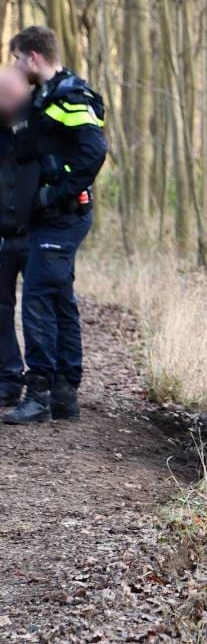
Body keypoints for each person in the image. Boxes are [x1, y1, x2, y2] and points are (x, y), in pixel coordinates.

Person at [4, 26, 106, 424]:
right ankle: (66, 393)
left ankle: (40, 393)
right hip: (49, 220)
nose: (15, 67)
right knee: (59, 298)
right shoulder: (45, 98)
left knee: (38, 299)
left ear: (32, 56)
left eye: (16, 59)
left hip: (63, 219)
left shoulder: (72, 96)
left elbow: (94, 152)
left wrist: (53, 193)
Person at [0, 68, 34, 407]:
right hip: (3, 235)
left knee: (41, 310)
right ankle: (8, 379)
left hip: (39, 232)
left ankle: (45, 385)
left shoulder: (41, 125)